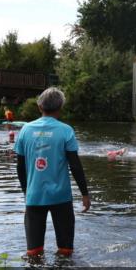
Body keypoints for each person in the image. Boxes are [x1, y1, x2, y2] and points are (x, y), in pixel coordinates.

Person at [15, 87, 91, 257]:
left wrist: (26, 192)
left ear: (40, 107)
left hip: (34, 196)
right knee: (65, 251)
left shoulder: (25, 130)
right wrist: (85, 194)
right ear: (60, 107)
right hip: (61, 198)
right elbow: (75, 166)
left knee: (33, 253)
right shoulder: (66, 131)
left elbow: (20, 167)